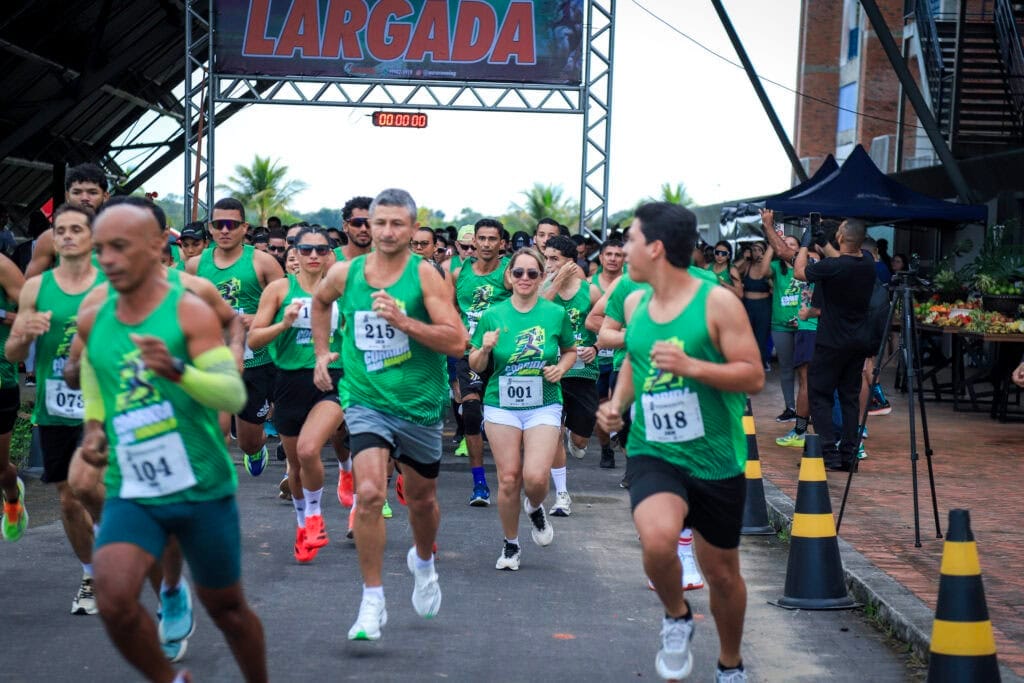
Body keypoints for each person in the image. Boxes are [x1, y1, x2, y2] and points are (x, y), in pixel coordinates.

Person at [76, 200, 267, 682]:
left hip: (200, 481)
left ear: (159, 247)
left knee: (227, 609)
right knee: (115, 598)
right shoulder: (96, 314)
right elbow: (96, 373)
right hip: (133, 481)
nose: (109, 260)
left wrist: (178, 370)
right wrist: (95, 428)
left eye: (120, 247)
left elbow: (230, 391)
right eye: (100, 250)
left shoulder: (188, 308)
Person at [596, 202, 763, 683]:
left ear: (656, 247)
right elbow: (636, 358)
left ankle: (730, 663)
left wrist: (693, 367)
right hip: (655, 449)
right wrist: (617, 404)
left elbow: (752, 375)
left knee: (723, 574)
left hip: (715, 456)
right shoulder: (635, 303)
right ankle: (676, 616)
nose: (623, 248)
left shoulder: (716, 302)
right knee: (657, 540)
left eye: (630, 239)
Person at [311, 188, 466, 641]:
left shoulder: (425, 277)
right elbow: (320, 302)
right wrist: (323, 352)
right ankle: (372, 599)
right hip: (365, 399)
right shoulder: (346, 272)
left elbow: (457, 342)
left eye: (398, 224)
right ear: (366, 226)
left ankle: (423, 560)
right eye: (379, 223)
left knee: (421, 502)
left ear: (414, 229)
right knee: (371, 493)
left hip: (418, 403)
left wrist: (404, 322)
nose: (387, 231)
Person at [5, 203, 106, 614]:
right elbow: (15, 351)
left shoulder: (110, 285)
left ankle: (116, 545)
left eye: (76, 229)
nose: (66, 236)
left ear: (93, 236)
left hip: (103, 404)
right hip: (54, 405)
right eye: (59, 229)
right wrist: (23, 335)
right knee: (68, 501)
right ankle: (91, 575)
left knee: (91, 487)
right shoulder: (36, 287)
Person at [469, 248, 576, 569]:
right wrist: (485, 348)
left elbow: (570, 350)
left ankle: (534, 507)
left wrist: (562, 368)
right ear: (509, 276)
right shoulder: (493, 315)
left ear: (542, 277)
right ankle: (511, 544)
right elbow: (475, 363)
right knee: (508, 477)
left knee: (535, 477)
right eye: (519, 273)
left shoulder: (554, 314)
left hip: (543, 402)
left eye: (532, 273)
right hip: (502, 403)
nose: (525, 279)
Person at [248, 227, 345, 564]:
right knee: (296, 464)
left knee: (308, 449)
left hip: (333, 378)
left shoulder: (342, 291)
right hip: (288, 381)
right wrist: (283, 324)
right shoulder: (279, 290)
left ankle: (316, 514)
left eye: (321, 249)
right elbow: (255, 340)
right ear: (295, 252)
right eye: (306, 250)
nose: (314, 256)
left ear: (331, 253)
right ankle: (303, 524)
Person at [187, 198, 285, 477]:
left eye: (232, 225)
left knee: (248, 440)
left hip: (255, 362)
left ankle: (255, 449)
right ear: (211, 228)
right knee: (215, 429)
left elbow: (286, 302)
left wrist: (257, 319)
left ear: (244, 227)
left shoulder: (262, 262)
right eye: (219, 225)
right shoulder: (195, 265)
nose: (225, 230)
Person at [793, 218, 877, 471]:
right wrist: (822, 242)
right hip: (857, 341)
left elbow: (799, 272)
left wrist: (805, 245)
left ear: (841, 238)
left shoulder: (832, 267)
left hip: (831, 341)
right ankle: (850, 456)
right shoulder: (868, 263)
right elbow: (840, 257)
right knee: (849, 398)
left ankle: (827, 454)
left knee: (820, 395)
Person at [449, 219, 511, 505]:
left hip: (503, 355)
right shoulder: (459, 273)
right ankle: (479, 483)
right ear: (474, 241)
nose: (486, 244)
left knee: (505, 418)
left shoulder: (509, 272)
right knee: (471, 412)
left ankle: (509, 476)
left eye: (492, 239)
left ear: (501, 243)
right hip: (469, 352)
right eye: (482, 238)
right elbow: (450, 309)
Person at [542, 236, 599, 516]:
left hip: (582, 373)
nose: (549, 264)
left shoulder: (591, 291)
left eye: (555, 259)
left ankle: (577, 437)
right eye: (547, 258)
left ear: (571, 262)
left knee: (579, 438)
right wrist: (552, 283)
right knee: (553, 432)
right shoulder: (542, 289)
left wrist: (595, 347)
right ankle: (562, 495)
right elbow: (536, 314)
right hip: (551, 373)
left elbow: (605, 324)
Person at [26, 163, 110, 278]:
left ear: (105, 196)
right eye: (77, 192)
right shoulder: (51, 238)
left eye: (92, 192)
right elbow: (29, 288)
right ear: (67, 196)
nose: (84, 198)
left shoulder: (123, 235)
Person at [589, 239, 625, 468]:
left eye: (618, 254)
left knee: (620, 408)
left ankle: (623, 440)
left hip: (622, 358)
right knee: (601, 408)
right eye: (608, 254)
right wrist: (615, 331)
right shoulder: (589, 286)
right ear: (601, 258)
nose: (613, 258)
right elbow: (590, 320)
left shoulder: (630, 282)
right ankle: (605, 449)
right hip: (598, 358)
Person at [0, 253, 25, 541]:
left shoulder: (4, 267)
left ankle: (12, 495)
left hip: (1, 379)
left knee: (1, 468)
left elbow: (30, 316)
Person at [769, 236, 801, 421]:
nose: (786, 247)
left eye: (791, 245)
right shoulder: (775, 266)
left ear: (798, 249)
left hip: (804, 325)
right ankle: (790, 408)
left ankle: (807, 409)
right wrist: (771, 247)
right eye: (784, 244)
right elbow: (760, 272)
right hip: (780, 326)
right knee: (786, 368)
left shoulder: (806, 267)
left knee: (806, 370)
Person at [740, 241, 773, 372]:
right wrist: (744, 258)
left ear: (765, 252)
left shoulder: (770, 268)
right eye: (754, 250)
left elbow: (775, 288)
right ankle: (748, 363)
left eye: (760, 250)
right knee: (747, 336)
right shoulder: (747, 265)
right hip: (747, 305)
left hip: (763, 306)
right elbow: (733, 270)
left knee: (761, 336)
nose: (756, 253)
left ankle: (761, 363)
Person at [337, 196, 374, 262]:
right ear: (345, 226)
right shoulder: (329, 259)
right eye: (357, 223)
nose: (364, 229)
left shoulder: (386, 258)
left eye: (369, 223)